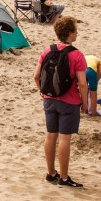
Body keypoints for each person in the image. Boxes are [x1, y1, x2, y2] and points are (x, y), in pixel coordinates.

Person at [34, 16, 88, 188]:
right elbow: (82, 83)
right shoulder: (77, 55)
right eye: (75, 30)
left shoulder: (47, 50)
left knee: (51, 136)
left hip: (49, 98)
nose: (77, 32)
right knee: (65, 139)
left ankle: (51, 173)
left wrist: (43, 93)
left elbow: (36, 76)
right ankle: (63, 177)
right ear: (70, 33)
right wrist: (85, 104)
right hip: (69, 101)